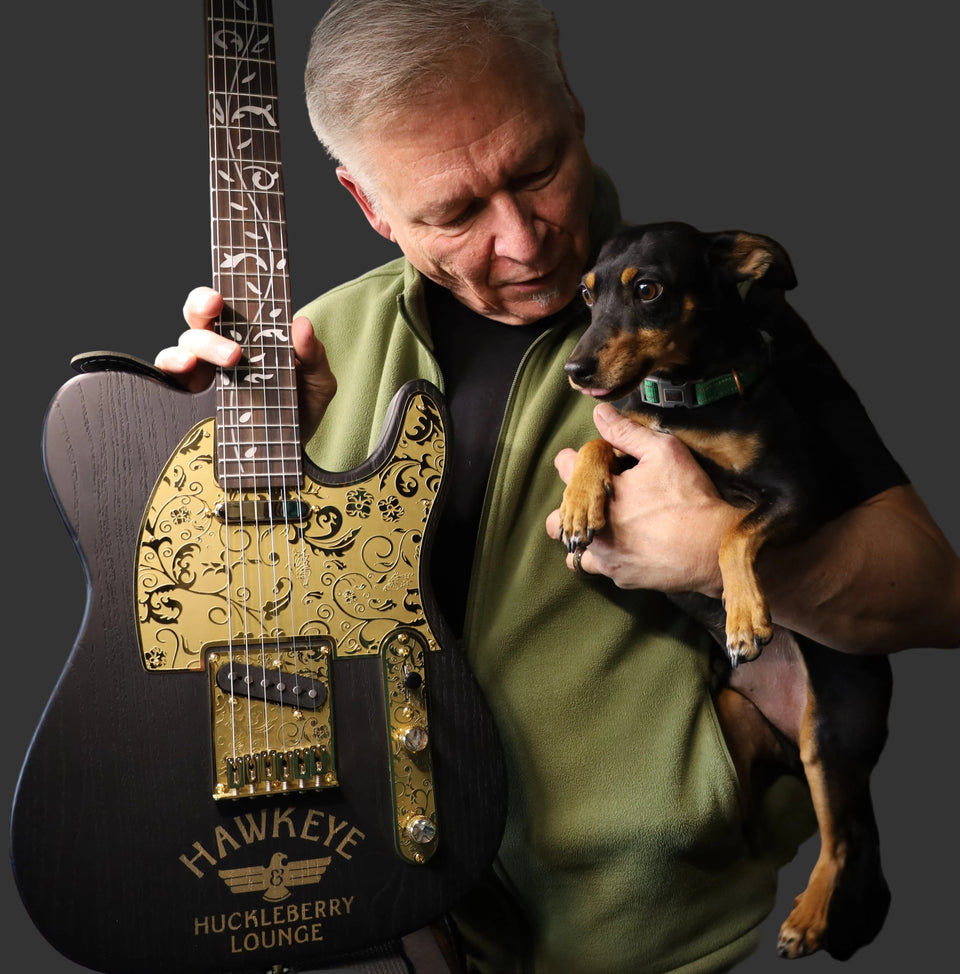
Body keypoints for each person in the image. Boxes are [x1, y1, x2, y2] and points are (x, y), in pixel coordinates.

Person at [156, 2, 960, 971]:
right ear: (370, 206)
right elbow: (210, 641)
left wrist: (724, 558)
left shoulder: (714, 322)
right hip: (373, 920)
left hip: (652, 939)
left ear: (572, 106)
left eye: (537, 170)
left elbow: (938, 594)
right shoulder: (312, 347)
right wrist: (192, 468)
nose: (527, 241)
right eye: (454, 212)